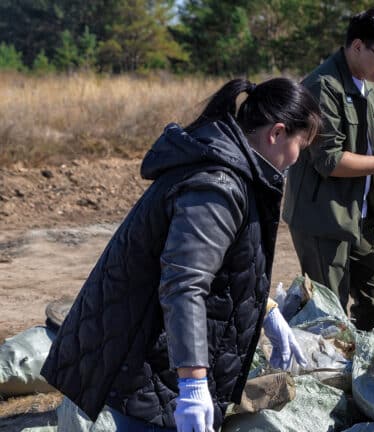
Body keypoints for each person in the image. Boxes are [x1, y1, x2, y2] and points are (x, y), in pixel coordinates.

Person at [40, 77, 321, 432]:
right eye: (301, 144)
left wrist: (266, 310)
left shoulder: (238, 173)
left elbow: (222, 265)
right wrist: (192, 385)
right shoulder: (217, 186)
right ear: (277, 133)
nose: (298, 159)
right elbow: (184, 283)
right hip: (155, 373)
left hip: (165, 364)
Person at [282, 6, 374, 331]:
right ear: (357, 46)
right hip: (324, 218)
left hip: (359, 216)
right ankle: (327, 376)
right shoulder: (324, 86)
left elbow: (372, 147)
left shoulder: (369, 86)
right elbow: (329, 160)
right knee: (329, 314)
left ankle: (364, 371)